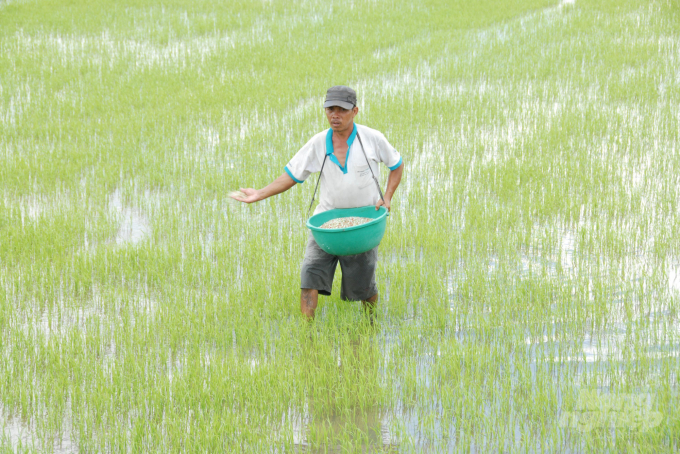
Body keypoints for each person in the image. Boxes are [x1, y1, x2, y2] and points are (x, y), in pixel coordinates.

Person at [230, 86, 404, 319]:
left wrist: (388, 196)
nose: (335, 115)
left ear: (355, 111)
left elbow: (396, 165)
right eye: (330, 109)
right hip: (327, 223)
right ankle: (307, 333)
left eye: (341, 110)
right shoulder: (318, 143)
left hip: (363, 224)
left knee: (364, 285)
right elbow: (292, 175)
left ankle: (370, 325)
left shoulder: (372, 138)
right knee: (309, 275)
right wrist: (259, 194)